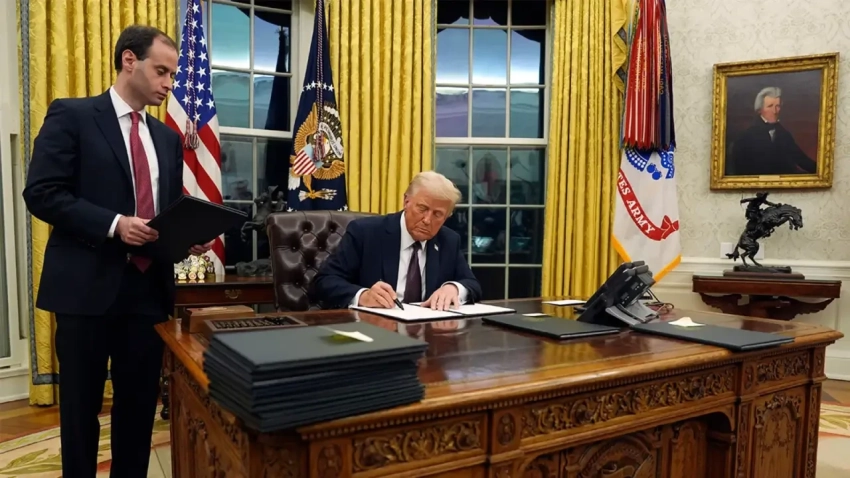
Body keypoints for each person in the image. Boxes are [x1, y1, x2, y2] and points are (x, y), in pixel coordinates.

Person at [22, 25, 212, 478]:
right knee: (80, 412)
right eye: (162, 71)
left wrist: (187, 234)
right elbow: (42, 193)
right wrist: (114, 225)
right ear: (129, 60)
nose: (169, 83)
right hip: (85, 290)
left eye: (173, 74)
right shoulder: (72, 116)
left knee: (138, 411)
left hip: (147, 293)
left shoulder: (166, 139)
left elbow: (162, 212)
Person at [311, 171, 482, 310]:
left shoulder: (448, 240)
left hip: (429, 331)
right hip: (373, 329)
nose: (427, 220)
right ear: (406, 202)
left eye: (437, 214)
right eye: (422, 208)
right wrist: (363, 295)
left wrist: (454, 288)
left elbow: (472, 284)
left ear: (447, 217)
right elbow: (324, 281)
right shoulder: (365, 232)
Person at [726, 86, 817, 176]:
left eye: (777, 106)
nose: (775, 111)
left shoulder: (784, 134)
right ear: (760, 110)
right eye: (770, 106)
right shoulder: (745, 138)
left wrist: (821, 171)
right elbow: (740, 172)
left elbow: (801, 159)